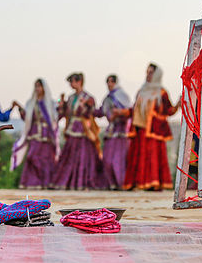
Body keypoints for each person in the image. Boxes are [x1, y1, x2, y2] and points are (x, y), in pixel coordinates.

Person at [121, 63, 178, 191]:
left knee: (153, 157)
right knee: (139, 157)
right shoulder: (141, 91)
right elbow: (135, 109)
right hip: (140, 129)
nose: (148, 75)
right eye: (147, 72)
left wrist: (178, 105)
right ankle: (137, 183)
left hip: (154, 130)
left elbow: (168, 110)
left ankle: (153, 183)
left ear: (157, 75)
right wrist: (124, 112)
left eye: (151, 72)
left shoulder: (161, 93)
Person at [51, 72, 107, 190]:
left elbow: (89, 113)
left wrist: (84, 106)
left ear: (79, 82)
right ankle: (68, 182)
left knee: (84, 156)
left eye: (72, 81)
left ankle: (84, 182)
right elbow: (63, 112)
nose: (71, 84)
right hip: (72, 128)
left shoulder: (88, 98)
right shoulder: (71, 98)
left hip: (84, 129)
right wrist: (60, 103)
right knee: (69, 155)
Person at [11, 78, 59, 189]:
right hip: (34, 134)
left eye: (39, 86)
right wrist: (21, 110)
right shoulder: (31, 103)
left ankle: (47, 183)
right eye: (36, 86)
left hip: (46, 135)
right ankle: (32, 183)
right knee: (32, 157)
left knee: (46, 159)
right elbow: (27, 118)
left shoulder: (50, 103)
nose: (37, 89)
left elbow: (55, 118)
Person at [95, 74, 132, 190]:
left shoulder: (122, 96)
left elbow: (129, 111)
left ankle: (122, 184)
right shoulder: (107, 98)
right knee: (107, 159)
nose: (109, 84)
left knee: (118, 160)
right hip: (110, 132)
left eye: (111, 82)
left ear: (116, 83)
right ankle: (111, 184)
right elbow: (101, 112)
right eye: (108, 82)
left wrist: (119, 112)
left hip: (121, 132)